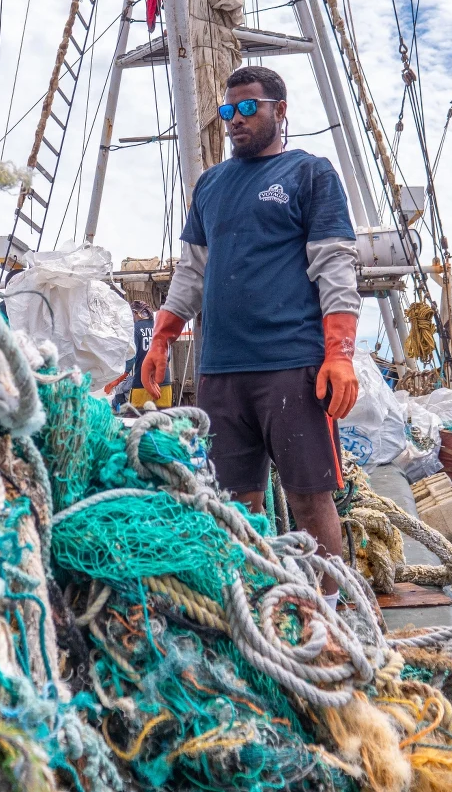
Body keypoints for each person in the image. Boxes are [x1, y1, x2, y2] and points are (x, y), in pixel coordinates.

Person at [140, 64, 360, 604]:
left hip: (291, 365)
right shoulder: (211, 185)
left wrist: (340, 354)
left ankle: (333, 609)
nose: (235, 121)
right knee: (236, 499)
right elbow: (192, 270)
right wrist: (162, 338)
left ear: (279, 111)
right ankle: (257, 605)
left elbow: (334, 264)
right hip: (221, 372)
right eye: (227, 112)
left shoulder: (309, 174)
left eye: (247, 109)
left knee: (309, 498)